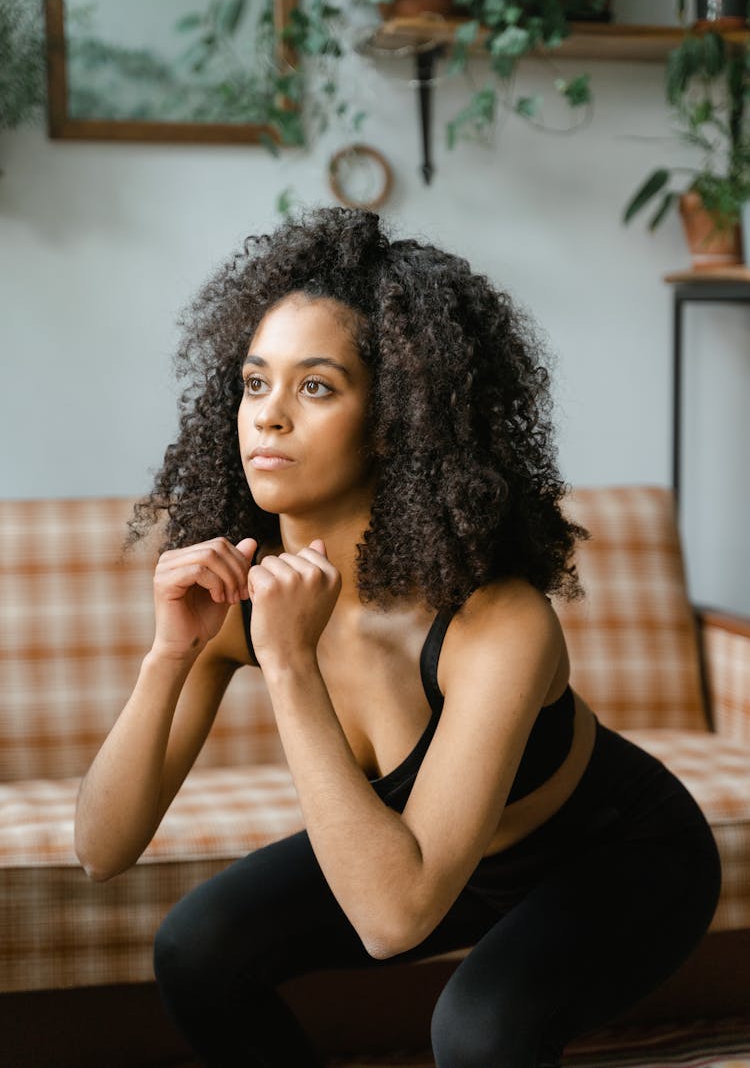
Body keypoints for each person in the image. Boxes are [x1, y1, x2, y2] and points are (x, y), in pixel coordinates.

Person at [74, 207, 721, 1068]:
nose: (267, 417)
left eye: (316, 386)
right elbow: (102, 849)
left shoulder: (497, 620)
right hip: (436, 859)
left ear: (393, 420)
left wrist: (292, 662)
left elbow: (395, 918)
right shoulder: (237, 590)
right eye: (254, 382)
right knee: (197, 946)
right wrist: (171, 654)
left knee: (478, 1032)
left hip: (617, 858)